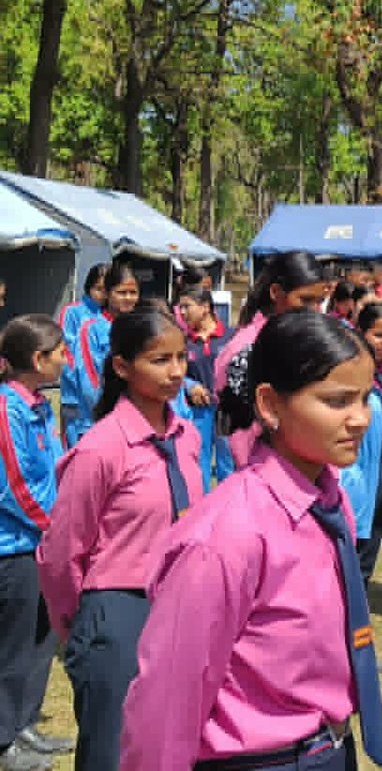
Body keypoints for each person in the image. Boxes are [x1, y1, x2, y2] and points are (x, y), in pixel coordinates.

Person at [119, 311, 382, 770]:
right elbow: (167, 701)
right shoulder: (226, 536)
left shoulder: (329, 502)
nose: (360, 419)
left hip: (328, 748)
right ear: (269, 404)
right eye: (337, 401)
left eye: (365, 398)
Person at [38, 305, 204, 770]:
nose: (175, 371)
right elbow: (60, 552)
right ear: (122, 367)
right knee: (111, 751)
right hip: (118, 610)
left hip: (180, 608)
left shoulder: (186, 437)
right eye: (159, 360)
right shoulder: (101, 448)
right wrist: (83, 626)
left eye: (181, 357)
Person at [0, 316, 72, 771]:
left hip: (41, 539)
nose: (65, 360)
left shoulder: (39, 405)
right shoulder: (7, 411)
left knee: (40, 641)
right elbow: (16, 487)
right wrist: (59, 528)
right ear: (37, 359)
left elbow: (53, 469)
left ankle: (25, 725)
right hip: (15, 547)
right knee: (13, 647)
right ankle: (5, 741)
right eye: (59, 353)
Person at [214, 251, 326, 466]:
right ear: (276, 292)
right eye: (306, 300)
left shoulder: (299, 340)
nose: (315, 311)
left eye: (320, 301)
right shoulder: (246, 350)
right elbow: (240, 436)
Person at [341, 302, 382, 588]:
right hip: (360, 466)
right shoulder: (351, 375)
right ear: (361, 333)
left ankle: (360, 600)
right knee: (356, 534)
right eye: (379, 334)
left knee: (377, 530)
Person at [62, 263, 141, 448]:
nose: (128, 298)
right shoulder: (92, 329)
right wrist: (110, 415)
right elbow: (89, 382)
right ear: (108, 293)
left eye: (133, 292)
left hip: (133, 420)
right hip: (96, 421)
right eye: (121, 292)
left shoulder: (139, 328)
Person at [179, 287, 235, 488]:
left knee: (227, 464)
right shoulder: (182, 342)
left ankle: (228, 512)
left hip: (227, 411)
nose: (182, 312)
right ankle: (200, 511)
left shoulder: (231, 337)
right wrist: (189, 385)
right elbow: (176, 372)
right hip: (198, 412)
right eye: (180, 307)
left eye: (187, 306)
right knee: (197, 463)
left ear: (204, 307)